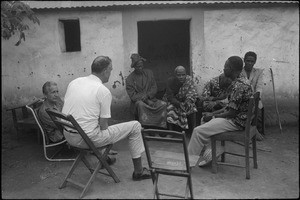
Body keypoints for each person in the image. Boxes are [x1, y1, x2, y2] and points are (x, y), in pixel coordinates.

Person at [62, 55, 151, 181]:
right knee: (135, 126)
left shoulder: (74, 82)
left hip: (69, 136)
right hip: (87, 140)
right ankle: (139, 172)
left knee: (93, 125)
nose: (110, 72)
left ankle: (105, 158)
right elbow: (104, 127)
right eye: (111, 70)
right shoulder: (102, 90)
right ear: (105, 71)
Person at [188, 56, 253, 166]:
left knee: (197, 131)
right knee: (205, 120)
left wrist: (213, 117)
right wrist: (213, 114)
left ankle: (187, 165)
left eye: (225, 67)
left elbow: (231, 113)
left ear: (231, 69)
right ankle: (207, 155)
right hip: (238, 118)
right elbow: (230, 107)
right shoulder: (240, 81)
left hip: (236, 122)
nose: (223, 69)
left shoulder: (239, 86)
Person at [126, 53, 167, 128]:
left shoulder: (149, 73)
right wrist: (146, 100)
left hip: (152, 99)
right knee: (141, 105)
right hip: (138, 102)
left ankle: (159, 127)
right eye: (138, 67)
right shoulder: (129, 79)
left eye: (142, 66)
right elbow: (133, 96)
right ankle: (146, 128)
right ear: (134, 67)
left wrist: (148, 95)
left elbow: (154, 87)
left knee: (163, 104)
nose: (140, 68)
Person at [163, 66, 198, 131]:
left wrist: (187, 101)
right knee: (170, 109)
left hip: (185, 100)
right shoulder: (170, 81)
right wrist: (178, 104)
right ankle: (171, 132)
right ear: (175, 75)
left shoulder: (189, 80)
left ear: (186, 74)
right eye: (179, 75)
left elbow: (192, 93)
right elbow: (170, 96)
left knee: (192, 108)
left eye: (183, 75)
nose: (181, 77)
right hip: (173, 101)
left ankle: (194, 130)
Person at [240, 51, 264, 141]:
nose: (250, 63)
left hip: (255, 97)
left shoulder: (259, 72)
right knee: (243, 110)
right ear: (244, 60)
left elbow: (259, 86)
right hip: (242, 98)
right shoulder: (239, 71)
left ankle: (255, 130)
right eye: (248, 61)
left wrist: (256, 96)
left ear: (255, 62)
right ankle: (249, 131)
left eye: (252, 61)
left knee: (257, 109)